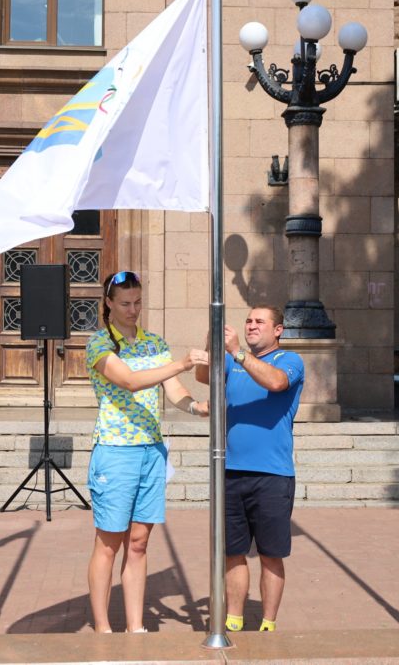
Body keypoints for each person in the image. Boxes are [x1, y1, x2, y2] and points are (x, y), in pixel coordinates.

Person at [85, 271, 209, 634]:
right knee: (109, 542)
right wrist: (182, 363)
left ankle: (136, 627)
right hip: (115, 451)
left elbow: (172, 391)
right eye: (125, 303)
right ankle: (103, 627)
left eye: (138, 302)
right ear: (109, 303)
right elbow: (129, 380)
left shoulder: (154, 343)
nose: (133, 309)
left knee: (138, 543)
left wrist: (195, 408)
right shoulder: (98, 344)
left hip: (152, 452)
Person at [196, 305, 304, 633]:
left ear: (278, 330)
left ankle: (268, 623)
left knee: (271, 554)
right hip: (231, 471)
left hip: (273, 475)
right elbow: (203, 376)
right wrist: (213, 337)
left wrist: (238, 353)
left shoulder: (289, 361)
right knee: (233, 552)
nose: (252, 325)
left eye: (260, 322)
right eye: (248, 320)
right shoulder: (231, 360)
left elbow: (275, 383)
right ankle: (234, 618)